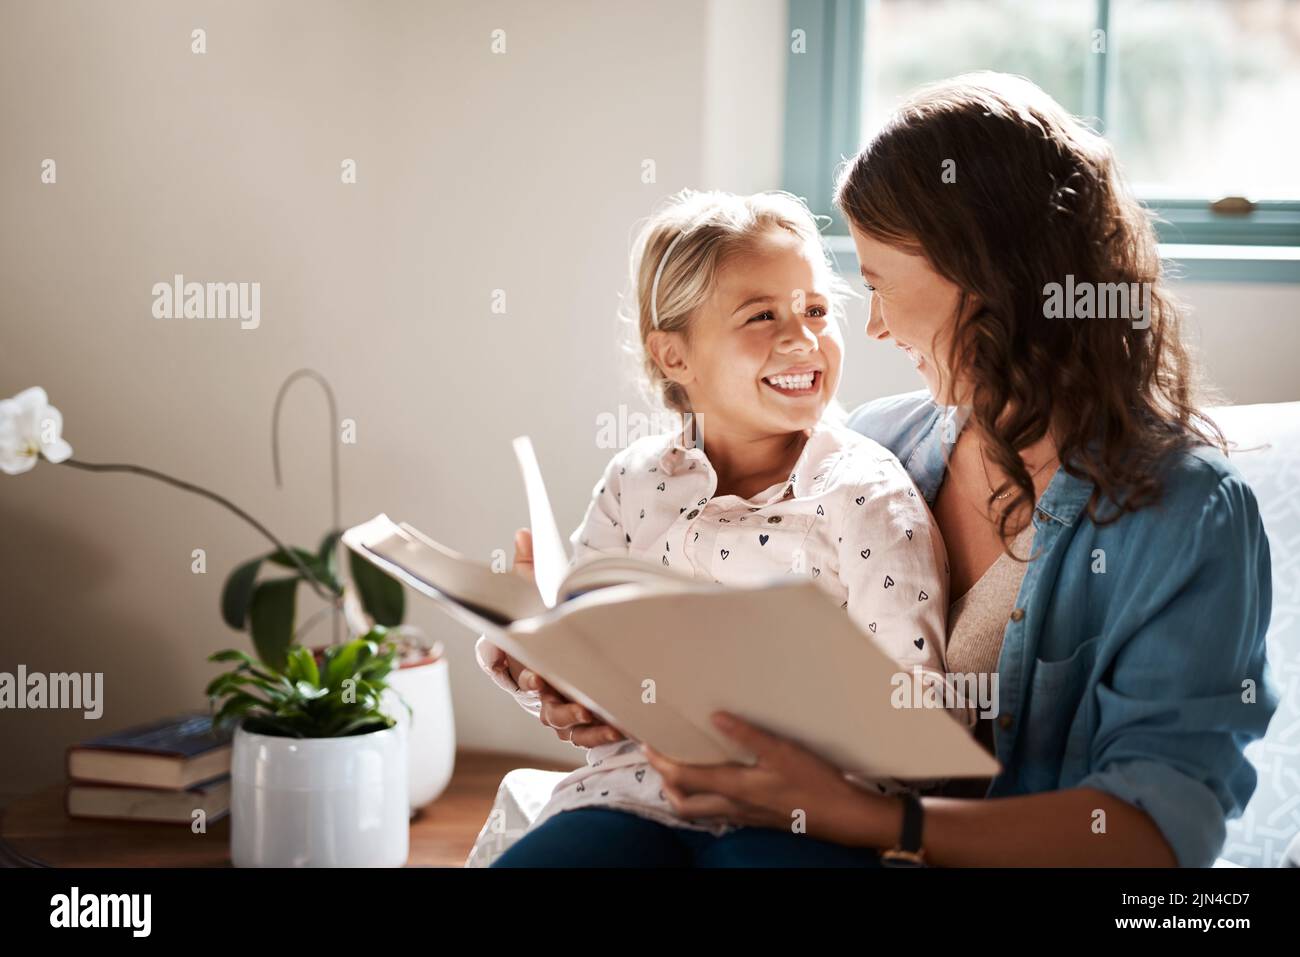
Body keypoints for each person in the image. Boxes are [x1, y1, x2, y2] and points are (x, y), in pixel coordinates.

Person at [493, 73, 1277, 867]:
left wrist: (874, 820)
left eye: (872, 287)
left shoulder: (1186, 514)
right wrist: (590, 685)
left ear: (985, 276)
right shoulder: (884, 439)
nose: (868, 326)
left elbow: (1159, 836)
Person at [479, 189, 970, 867]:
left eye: (816, 309)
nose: (803, 338)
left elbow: (915, 720)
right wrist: (542, 666)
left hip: (799, 817)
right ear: (674, 357)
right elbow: (589, 662)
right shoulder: (635, 480)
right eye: (761, 315)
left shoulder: (867, 494)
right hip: (634, 792)